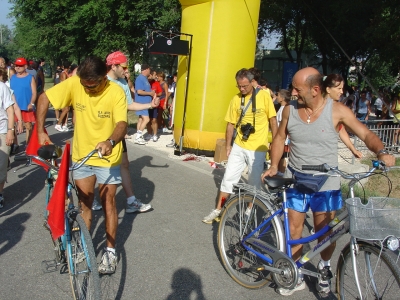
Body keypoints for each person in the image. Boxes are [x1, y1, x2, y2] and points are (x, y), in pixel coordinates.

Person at [261, 67, 395, 296]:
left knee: (325, 234)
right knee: (295, 230)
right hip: (296, 178)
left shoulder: (337, 111)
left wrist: (381, 152)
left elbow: (365, 133)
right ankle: (297, 271)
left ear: (315, 90)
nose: (292, 92)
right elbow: (280, 137)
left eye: (297, 88)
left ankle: (324, 268)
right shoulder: (289, 110)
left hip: (326, 182)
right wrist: (274, 165)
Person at [36, 56, 128, 275]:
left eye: (92, 86)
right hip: (82, 157)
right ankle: (85, 247)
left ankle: (110, 250)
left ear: (104, 76)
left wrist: (110, 142)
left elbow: (122, 123)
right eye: (84, 86)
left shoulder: (115, 92)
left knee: (109, 203)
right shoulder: (77, 84)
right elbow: (44, 97)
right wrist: (40, 130)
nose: (87, 90)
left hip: (107, 157)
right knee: (85, 204)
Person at [202, 68, 278, 224]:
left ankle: (249, 211)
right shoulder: (236, 99)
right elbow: (230, 124)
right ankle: (218, 210)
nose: (242, 89)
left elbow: (272, 121)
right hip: (239, 145)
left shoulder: (264, 96)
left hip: (258, 148)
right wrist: (228, 145)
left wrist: (276, 142)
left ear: (252, 82)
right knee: (228, 179)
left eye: (245, 86)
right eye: (239, 86)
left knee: (254, 182)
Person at [95, 50, 154, 214]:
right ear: (113, 66)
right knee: (96, 165)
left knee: (124, 164)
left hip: (117, 131)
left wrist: (150, 106)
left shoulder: (122, 83)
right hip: (99, 131)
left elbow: (129, 105)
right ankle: (89, 198)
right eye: (124, 66)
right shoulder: (99, 81)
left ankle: (131, 201)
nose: (126, 70)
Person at [323, 74, 363, 158]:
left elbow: (341, 130)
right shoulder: (316, 106)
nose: (342, 92)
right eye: (339, 89)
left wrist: (353, 149)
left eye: (342, 88)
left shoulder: (338, 109)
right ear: (328, 89)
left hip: (329, 158)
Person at [10, 57, 37, 145]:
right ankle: (15, 144)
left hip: (26, 106)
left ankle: (28, 145)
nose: (17, 67)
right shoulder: (12, 77)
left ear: (25, 66)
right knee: (13, 126)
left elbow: (34, 93)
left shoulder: (30, 77)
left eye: (20, 66)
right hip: (14, 106)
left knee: (28, 126)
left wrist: (31, 103)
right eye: (16, 65)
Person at [0, 81, 16, 208]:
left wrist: (10, 131)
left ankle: (0, 193)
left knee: (1, 164)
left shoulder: (2, 87)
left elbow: (10, 110)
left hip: (2, 131)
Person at [134, 64, 155, 145]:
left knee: (140, 119)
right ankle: (138, 137)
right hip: (142, 103)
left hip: (145, 103)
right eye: (149, 70)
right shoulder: (140, 78)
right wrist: (150, 93)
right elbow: (139, 91)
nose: (150, 71)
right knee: (146, 119)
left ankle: (138, 136)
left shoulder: (144, 78)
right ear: (146, 69)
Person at [276, 89, 291, 174]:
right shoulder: (282, 108)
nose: (277, 97)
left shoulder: (283, 110)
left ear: (282, 98)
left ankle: (281, 172)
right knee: (281, 155)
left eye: (278, 95)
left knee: (281, 155)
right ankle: (280, 171)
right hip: (280, 136)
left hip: (282, 137)